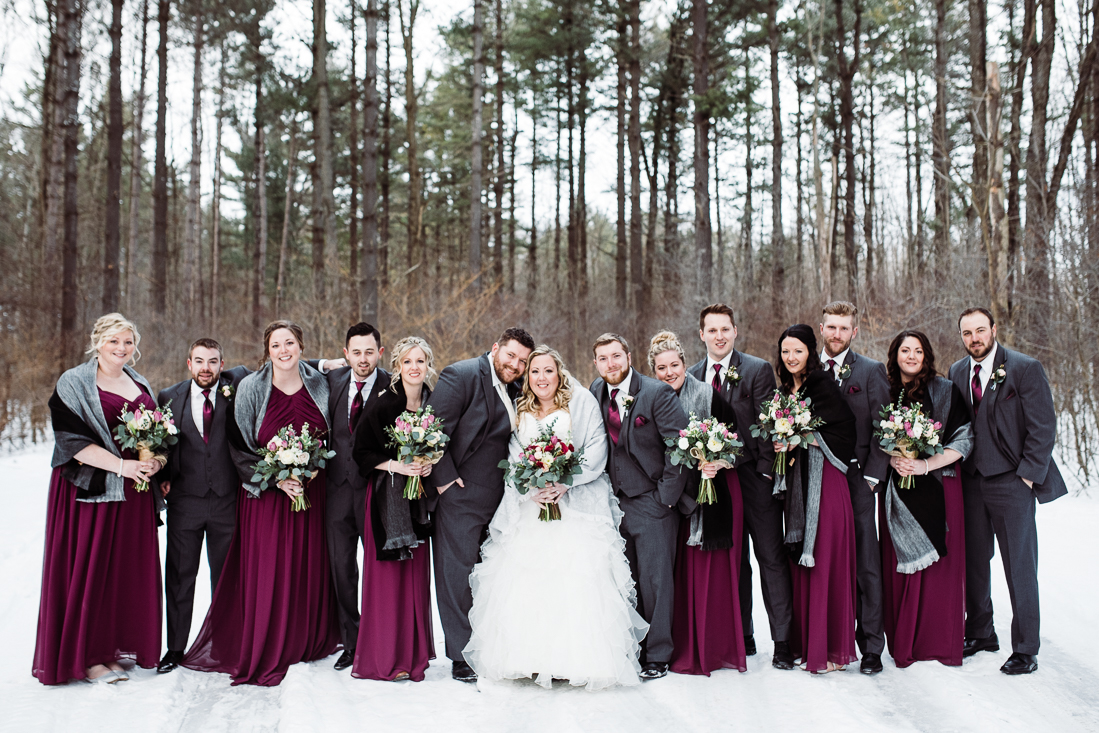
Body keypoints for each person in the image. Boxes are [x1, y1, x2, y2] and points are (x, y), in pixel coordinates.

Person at [464, 346, 648, 690]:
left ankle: (573, 660)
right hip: (533, 503)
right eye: (534, 372)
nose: (541, 378)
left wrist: (565, 482)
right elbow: (516, 453)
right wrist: (531, 485)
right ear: (528, 377)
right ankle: (530, 659)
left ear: (559, 372)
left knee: (574, 578)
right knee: (530, 580)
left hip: (574, 503)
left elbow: (596, 448)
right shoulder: (521, 407)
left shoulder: (580, 402)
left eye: (548, 371)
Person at [182, 320, 341, 686]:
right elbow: (239, 447)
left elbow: (333, 435)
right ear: (266, 351)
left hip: (311, 493)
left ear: (301, 346)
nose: (283, 351)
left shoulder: (320, 383)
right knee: (272, 568)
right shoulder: (250, 386)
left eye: (290, 343)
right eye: (276, 345)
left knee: (307, 566)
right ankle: (269, 641)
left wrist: (314, 470)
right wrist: (276, 479)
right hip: (267, 497)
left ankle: (304, 638)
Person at [34, 313, 163, 684]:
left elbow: (154, 436)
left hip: (134, 494)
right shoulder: (74, 382)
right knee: (91, 570)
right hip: (90, 493)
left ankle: (111, 649)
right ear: (97, 342)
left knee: (122, 571)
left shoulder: (138, 380)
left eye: (127, 342)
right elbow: (71, 443)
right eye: (114, 341)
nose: (121, 349)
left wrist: (154, 461)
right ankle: (87, 657)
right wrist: (121, 468)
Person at [948, 307, 1066, 675]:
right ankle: (982, 631)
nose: (974, 339)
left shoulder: (1024, 367)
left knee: (1020, 566)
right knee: (974, 562)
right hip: (971, 482)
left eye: (980, 331)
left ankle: (1026, 648)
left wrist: (1027, 478)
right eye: (967, 333)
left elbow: (1043, 427)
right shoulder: (956, 372)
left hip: (1012, 483)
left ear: (993, 330)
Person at [687, 303, 794, 669]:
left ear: (735, 332)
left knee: (770, 558)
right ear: (701, 335)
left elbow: (768, 425)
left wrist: (766, 473)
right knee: (732, 562)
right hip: (716, 482)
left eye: (725, 329)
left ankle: (782, 641)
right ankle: (743, 634)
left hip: (752, 478)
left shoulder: (757, 369)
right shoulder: (692, 375)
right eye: (711, 330)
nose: (719, 336)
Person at [426, 327, 535, 682]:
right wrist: (444, 480)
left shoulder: (517, 387)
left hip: (502, 500)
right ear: (495, 349)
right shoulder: (462, 375)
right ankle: (460, 656)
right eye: (511, 356)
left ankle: (489, 646)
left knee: (490, 578)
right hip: (460, 495)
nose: (515, 365)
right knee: (456, 575)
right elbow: (433, 429)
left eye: (522, 361)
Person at [590, 333, 689, 680]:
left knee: (656, 580)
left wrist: (665, 497)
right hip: (613, 503)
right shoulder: (595, 392)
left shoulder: (655, 392)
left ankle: (658, 655)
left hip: (652, 500)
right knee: (625, 579)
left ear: (628, 356)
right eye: (603, 358)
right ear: (596, 363)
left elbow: (679, 446)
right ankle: (632, 648)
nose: (611, 364)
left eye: (616, 356)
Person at [650, 331, 746, 675]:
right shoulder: (649, 398)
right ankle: (674, 646)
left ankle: (712, 649)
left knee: (708, 574)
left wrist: (719, 460)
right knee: (675, 576)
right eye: (661, 368)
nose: (669, 372)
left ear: (684, 364)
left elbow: (738, 442)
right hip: (671, 499)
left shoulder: (707, 395)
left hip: (711, 496)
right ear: (653, 371)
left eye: (674, 364)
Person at [155, 338, 251, 674]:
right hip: (185, 503)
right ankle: (176, 647)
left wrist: (324, 365)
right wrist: (162, 477)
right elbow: (160, 443)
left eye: (212, 361)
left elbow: (278, 367)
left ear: (222, 364)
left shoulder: (236, 390)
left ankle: (227, 645)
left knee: (226, 578)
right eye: (199, 361)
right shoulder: (169, 397)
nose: (205, 368)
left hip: (227, 501)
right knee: (180, 577)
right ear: (188, 363)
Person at [879, 330, 972, 668]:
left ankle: (938, 641)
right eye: (906, 350)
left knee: (940, 568)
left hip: (940, 486)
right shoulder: (885, 390)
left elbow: (965, 438)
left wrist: (925, 464)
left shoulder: (945, 390)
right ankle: (904, 642)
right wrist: (892, 458)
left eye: (919, 350)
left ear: (927, 355)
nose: (912, 356)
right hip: (895, 488)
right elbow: (871, 437)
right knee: (899, 565)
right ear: (896, 354)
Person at [771, 324, 858, 674]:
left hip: (827, 485)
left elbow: (846, 430)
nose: (791, 358)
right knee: (802, 563)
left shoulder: (821, 386)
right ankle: (807, 644)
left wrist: (804, 438)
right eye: (786, 351)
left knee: (824, 559)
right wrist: (780, 442)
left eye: (798, 351)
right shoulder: (782, 392)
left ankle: (832, 649)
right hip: (797, 486)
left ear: (811, 352)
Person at [350, 337, 435, 681]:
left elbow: (439, 442)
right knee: (388, 581)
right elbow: (361, 452)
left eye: (421, 361)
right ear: (398, 366)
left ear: (428, 365)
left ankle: (413, 657)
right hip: (387, 502)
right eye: (408, 362)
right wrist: (396, 466)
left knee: (414, 578)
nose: (414, 368)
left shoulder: (432, 402)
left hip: (419, 503)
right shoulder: (384, 404)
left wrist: (428, 462)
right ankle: (385, 659)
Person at [818, 301, 891, 675]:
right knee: (826, 564)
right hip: (817, 483)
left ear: (854, 332)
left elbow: (884, 428)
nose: (836, 335)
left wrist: (873, 476)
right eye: (831, 327)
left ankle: (872, 647)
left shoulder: (871, 371)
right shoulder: (807, 368)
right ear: (821, 328)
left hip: (858, 480)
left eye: (843, 329)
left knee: (866, 563)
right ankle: (829, 641)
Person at [314, 322, 389, 671]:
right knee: (342, 570)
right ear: (345, 354)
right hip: (337, 493)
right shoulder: (333, 380)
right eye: (356, 352)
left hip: (378, 494)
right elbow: (294, 363)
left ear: (380, 352)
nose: (363, 359)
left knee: (379, 572)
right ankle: (351, 640)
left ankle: (380, 640)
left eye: (369, 352)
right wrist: (324, 364)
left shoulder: (395, 386)